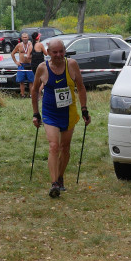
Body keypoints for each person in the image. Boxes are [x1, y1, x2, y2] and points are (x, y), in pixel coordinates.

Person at [31, 39, 90, 198]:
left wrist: (84, 109)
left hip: (68, 112)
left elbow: (81, 87)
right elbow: (34, 90)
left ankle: (60, 177)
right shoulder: (42, 68)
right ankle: (54, 184)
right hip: (50, 113)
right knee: (54, 146)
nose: (58, 55)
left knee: (65, 147)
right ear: (48, 52)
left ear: (64, 51)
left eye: (61, 51)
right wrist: (36, 113)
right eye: (54, 52)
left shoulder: (72, 65)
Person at [12, 32, 34, 98]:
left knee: (31, 81)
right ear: (21, 38)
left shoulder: (31, 45)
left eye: (26, 37)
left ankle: (31, 95)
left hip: (29, 64)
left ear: (28, 38)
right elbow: (12, 54)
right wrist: (16, 62)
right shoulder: (19, 45)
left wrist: (31, 57)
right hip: (21, 65)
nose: (25, 39)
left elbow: (35, 54)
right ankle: (22, 95)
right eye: (23, 37)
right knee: (21, 81)